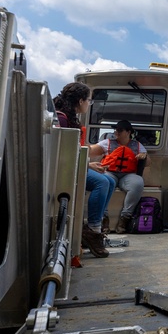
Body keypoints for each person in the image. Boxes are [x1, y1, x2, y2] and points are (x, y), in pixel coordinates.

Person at [53, 82, 116, 259]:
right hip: (64, 169)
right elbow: (62, 152)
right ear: (81, 101)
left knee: (110, 181)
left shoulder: (71, 118)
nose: (89, 104)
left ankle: (94, 225)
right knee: (102, 182)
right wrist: (89, 164)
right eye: (89, 100)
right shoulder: (62, 119)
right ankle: (93, 231)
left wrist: (89, 162)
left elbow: (77, 148)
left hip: (76, 164)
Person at [90, 120, 148, 234]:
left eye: (120, 130)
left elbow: (148, 162)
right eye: (116, 129)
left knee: (138, 183)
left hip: (128, 175)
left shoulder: (137, 145)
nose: (116, 132)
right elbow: (91, 151)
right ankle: (103, 218)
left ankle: (125, 218)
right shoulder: (107, 143)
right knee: (103, 182)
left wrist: (143, 156)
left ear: (128, 132)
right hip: (110, 172)